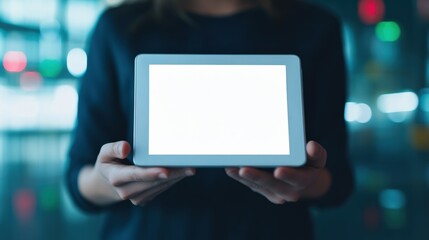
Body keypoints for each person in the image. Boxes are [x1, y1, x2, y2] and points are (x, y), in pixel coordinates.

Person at [66, 0, 354, 239]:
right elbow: (79, 178)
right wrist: (110, 182)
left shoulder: (316, 27)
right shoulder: (119, 26)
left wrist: (306, 183)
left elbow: (336, 179)